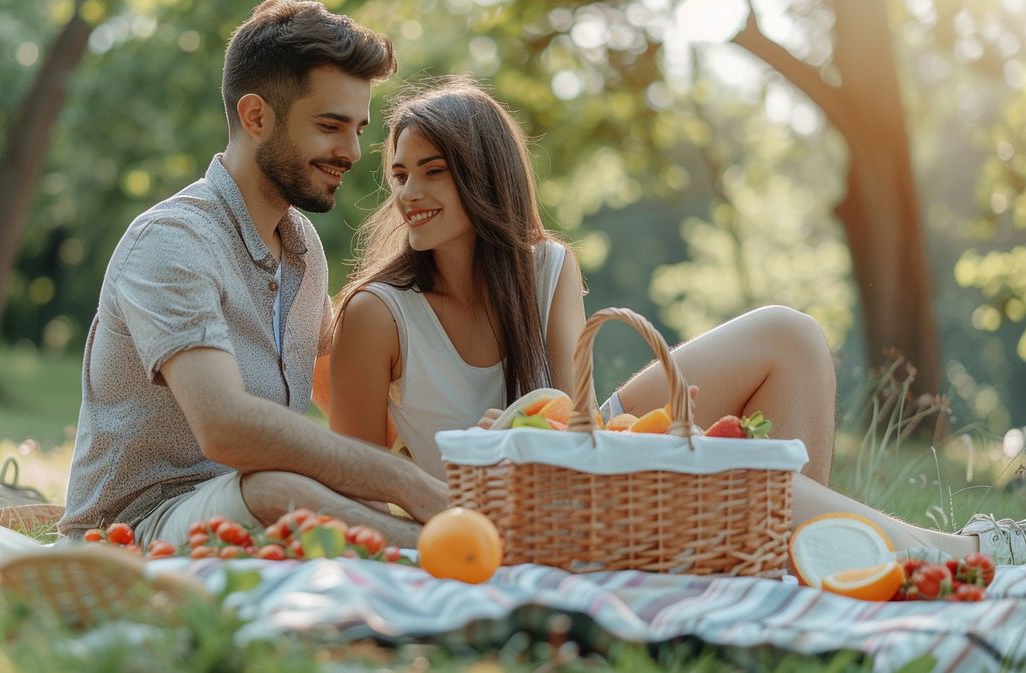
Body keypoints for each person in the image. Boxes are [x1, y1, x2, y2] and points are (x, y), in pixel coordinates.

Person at [327, 77, 1025, 564]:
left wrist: (640, 430)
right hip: (517, 510)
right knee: (737, 475)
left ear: (483, 176)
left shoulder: (548, 269)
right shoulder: (378, 316)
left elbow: (580, 417)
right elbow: (353, 479)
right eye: (399, 174)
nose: (408, 193)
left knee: (790, 334)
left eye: (432, 171)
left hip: (590, 458)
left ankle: (793, 551)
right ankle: (964, 552)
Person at [57, 0, 447, 549]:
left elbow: (345, 398)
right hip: (132, 531)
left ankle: (452, 542)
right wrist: (409, 485)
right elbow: (228, 428)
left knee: (293, 483)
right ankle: (442, 551)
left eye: (358, 128)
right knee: (276, 486)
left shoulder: (302, 248)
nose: (353, 151)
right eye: (330, 126)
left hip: (253, 520)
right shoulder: (172, 242)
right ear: (256, 117)